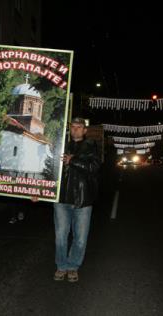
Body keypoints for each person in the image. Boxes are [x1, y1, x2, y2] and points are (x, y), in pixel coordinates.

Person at [53, 117, 100, 282]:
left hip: (83, 199)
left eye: (79, 127)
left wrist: (72, 160)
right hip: (61, 198)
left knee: (80, 238)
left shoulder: (91, 146)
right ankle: (61, 266)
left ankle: (73, 266)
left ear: (85, 130)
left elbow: (94, 167)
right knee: (60, 235)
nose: (76, 129)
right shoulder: (60, 144)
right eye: (73, 126)